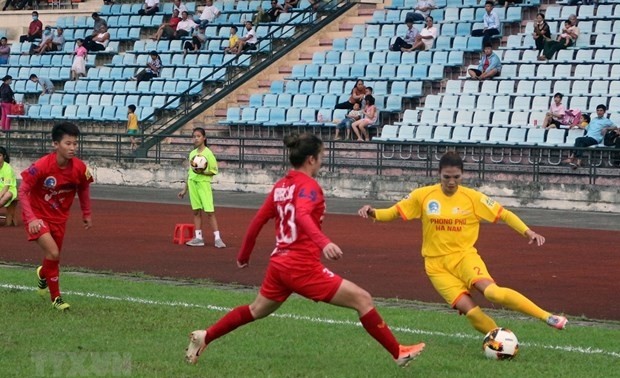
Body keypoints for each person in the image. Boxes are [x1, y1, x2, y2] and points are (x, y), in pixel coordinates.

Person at [184, 133, 425, 367]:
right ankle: (398, 352)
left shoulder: (280, 186)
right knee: (363, 299)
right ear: (311, 159)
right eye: (322, 155)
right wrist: (324, 243)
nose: (323, 160)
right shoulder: (309, 186)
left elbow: (258, 220)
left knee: (256, 310)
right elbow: (301, 214)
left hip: (279, 265)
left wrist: (244, 255)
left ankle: (205, 336)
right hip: (301, 266)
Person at [357, 151, 568, 336]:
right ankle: (501, 338)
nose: (451, 182)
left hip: (464, 257)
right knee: (471, 311)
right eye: (446, 177)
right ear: (438, 174)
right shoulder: (422, 196)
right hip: (436, 267)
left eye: (456, 177)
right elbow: (393, 212)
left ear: (462, 175)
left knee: (493, 292)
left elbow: (504, 214)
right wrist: (373, 211)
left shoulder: (473, 198)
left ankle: (547, 316)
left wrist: (527, 231)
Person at [19, 122, 94, 311]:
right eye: (68, 143)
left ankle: (43, 273)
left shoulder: (79, 168)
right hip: (37, 216)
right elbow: (23, 191)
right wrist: (32, 218)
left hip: (59, 218)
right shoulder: (42, 165)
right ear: (55, 144)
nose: (72, 148)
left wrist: (86, 213)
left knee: (53, 258)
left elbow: (84, 188)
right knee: (53, 253)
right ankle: (56, 298)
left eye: (75, 144)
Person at [177, 127, 226, 248]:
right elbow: (190, 173)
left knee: (209, 211)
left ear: (204, 138)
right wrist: (184, 189)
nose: (196, 139)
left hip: (203, 184)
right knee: (196, 211)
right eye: (194, 136)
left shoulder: (208, 154)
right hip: (193, 183)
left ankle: (218, 238)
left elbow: (214, 171)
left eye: (198, 136)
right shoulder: (192, 154)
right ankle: (198, 238)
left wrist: (203, 173)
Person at [563, 104, 615, 169]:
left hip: (595, 139)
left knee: (578, 139)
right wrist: (575, 124)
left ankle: (572, 158)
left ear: (604, 112)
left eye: (601, 110)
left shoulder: (606, 121)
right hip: (588, 137)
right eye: (598, 110)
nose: (599, 112)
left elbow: (615, 127)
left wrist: (607, 128)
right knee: (581, 143)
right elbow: (586, 127)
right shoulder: (594, 119)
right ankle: (578, 162)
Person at [0, 146, 17, 227]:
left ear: (4, 156)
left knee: (7, 195)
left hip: (10, 189)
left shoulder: (8, 168)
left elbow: (6, 186)